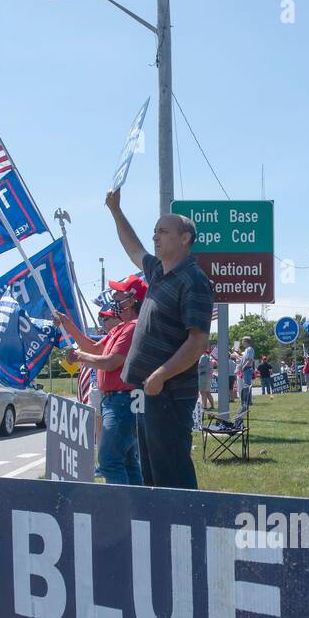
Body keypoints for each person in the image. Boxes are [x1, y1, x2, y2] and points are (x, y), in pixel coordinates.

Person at [106, 188, 212, 489]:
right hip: (145, 391)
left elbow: (197, 342)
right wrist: (116, 210)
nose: (155, 236)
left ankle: (187, 529)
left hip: (169, 394)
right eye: (155, 231)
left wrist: (161, 375)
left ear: (185, 238)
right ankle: (160, 531)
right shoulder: (157, 272)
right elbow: (133, 248)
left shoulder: (194, 281)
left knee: (172, 472)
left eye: (163, 231)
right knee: (150, 471)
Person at [53, 275, 146, 486]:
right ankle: (137, 511)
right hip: (121, 401)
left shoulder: (133, 327)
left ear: (132, 300)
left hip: (123, 401)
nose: (113, 297)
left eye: (119, 294)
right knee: (128, 461)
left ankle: (120, 510)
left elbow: (111, 362)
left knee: (109, 461)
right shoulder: (121, 328)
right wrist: (68, 325)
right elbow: (94, 348)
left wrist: (79, 357)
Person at [198, 347, 214, 411]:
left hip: (203, 376)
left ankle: (204, 407)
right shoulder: (208, 357)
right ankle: (212, 406)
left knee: (202, 392)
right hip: (207, 376)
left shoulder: (203, 357)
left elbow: (199, 365)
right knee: (207, 392)